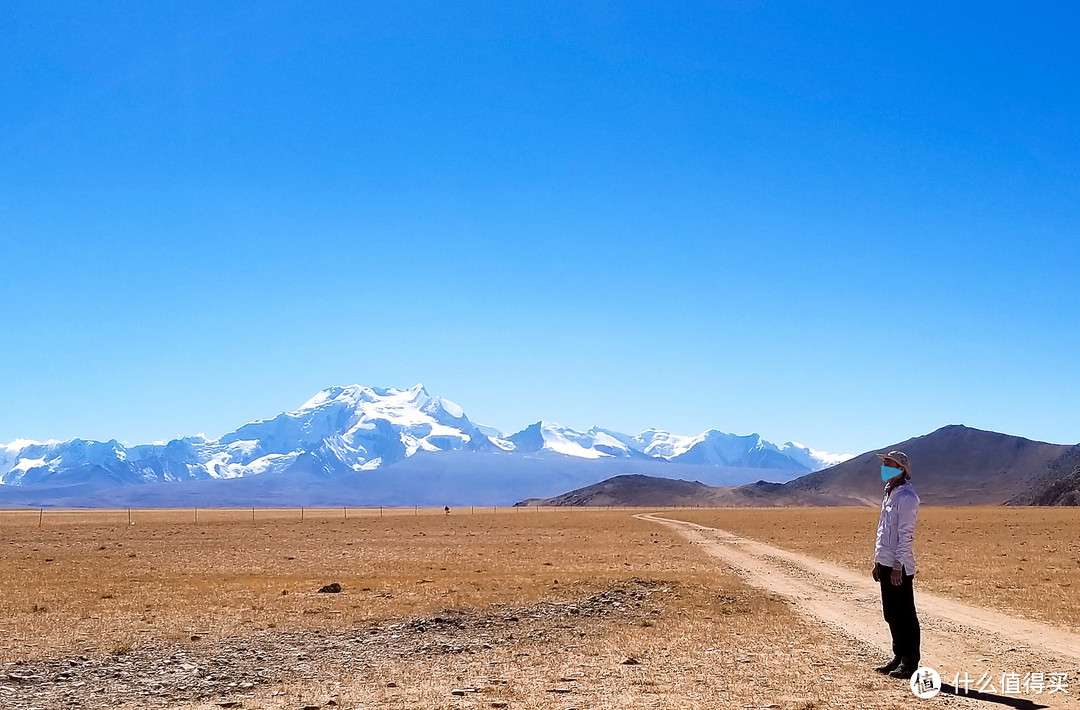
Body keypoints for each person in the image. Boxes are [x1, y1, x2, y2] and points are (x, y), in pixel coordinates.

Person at [871, 450, 921, 679]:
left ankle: (910, 661)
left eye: (889, 464)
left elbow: (905, 534)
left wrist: (899, 565)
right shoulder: (889, 493)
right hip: (886, 562)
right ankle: (898, 656)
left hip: (899, 566)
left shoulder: (907, 498)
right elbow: (883, 531)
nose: (885, 467)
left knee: (905, 615)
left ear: (901, 469)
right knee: (891, 614)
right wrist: (878, 562)